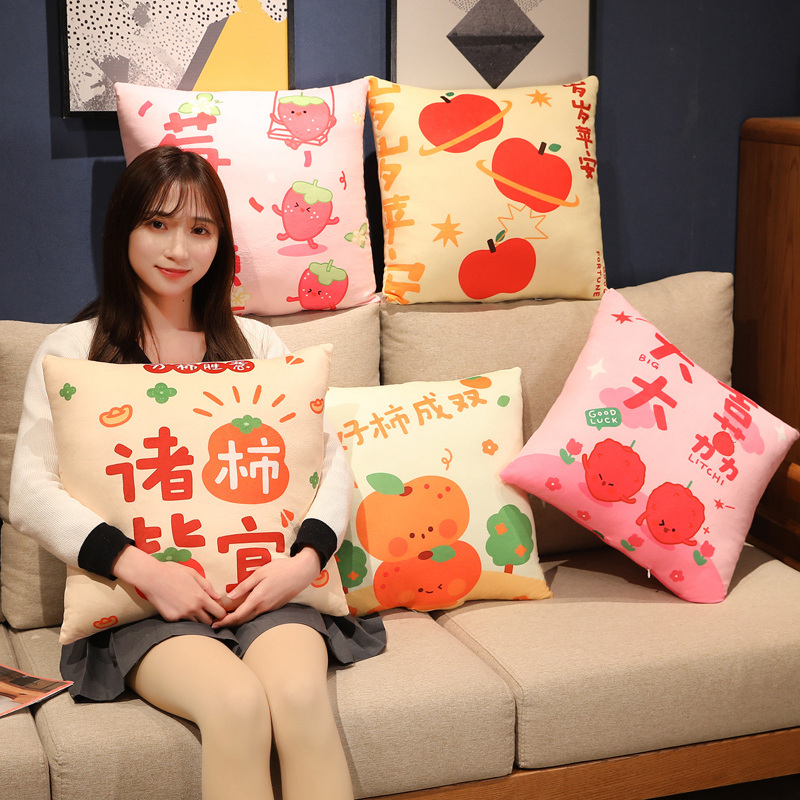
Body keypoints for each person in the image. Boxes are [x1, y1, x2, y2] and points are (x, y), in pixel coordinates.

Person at [9, 145, 385, 800]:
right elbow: (29, 493)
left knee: (300, 699)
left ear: (220, 242)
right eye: (157, 224)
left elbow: (328, 462)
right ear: (123, 228)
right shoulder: (73, 352)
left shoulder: (256, 344)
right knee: (235, 705)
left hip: (266, 589)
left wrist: (302, 564)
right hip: (143, 604)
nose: (178, 248)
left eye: (200, 229)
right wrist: (145, 570)